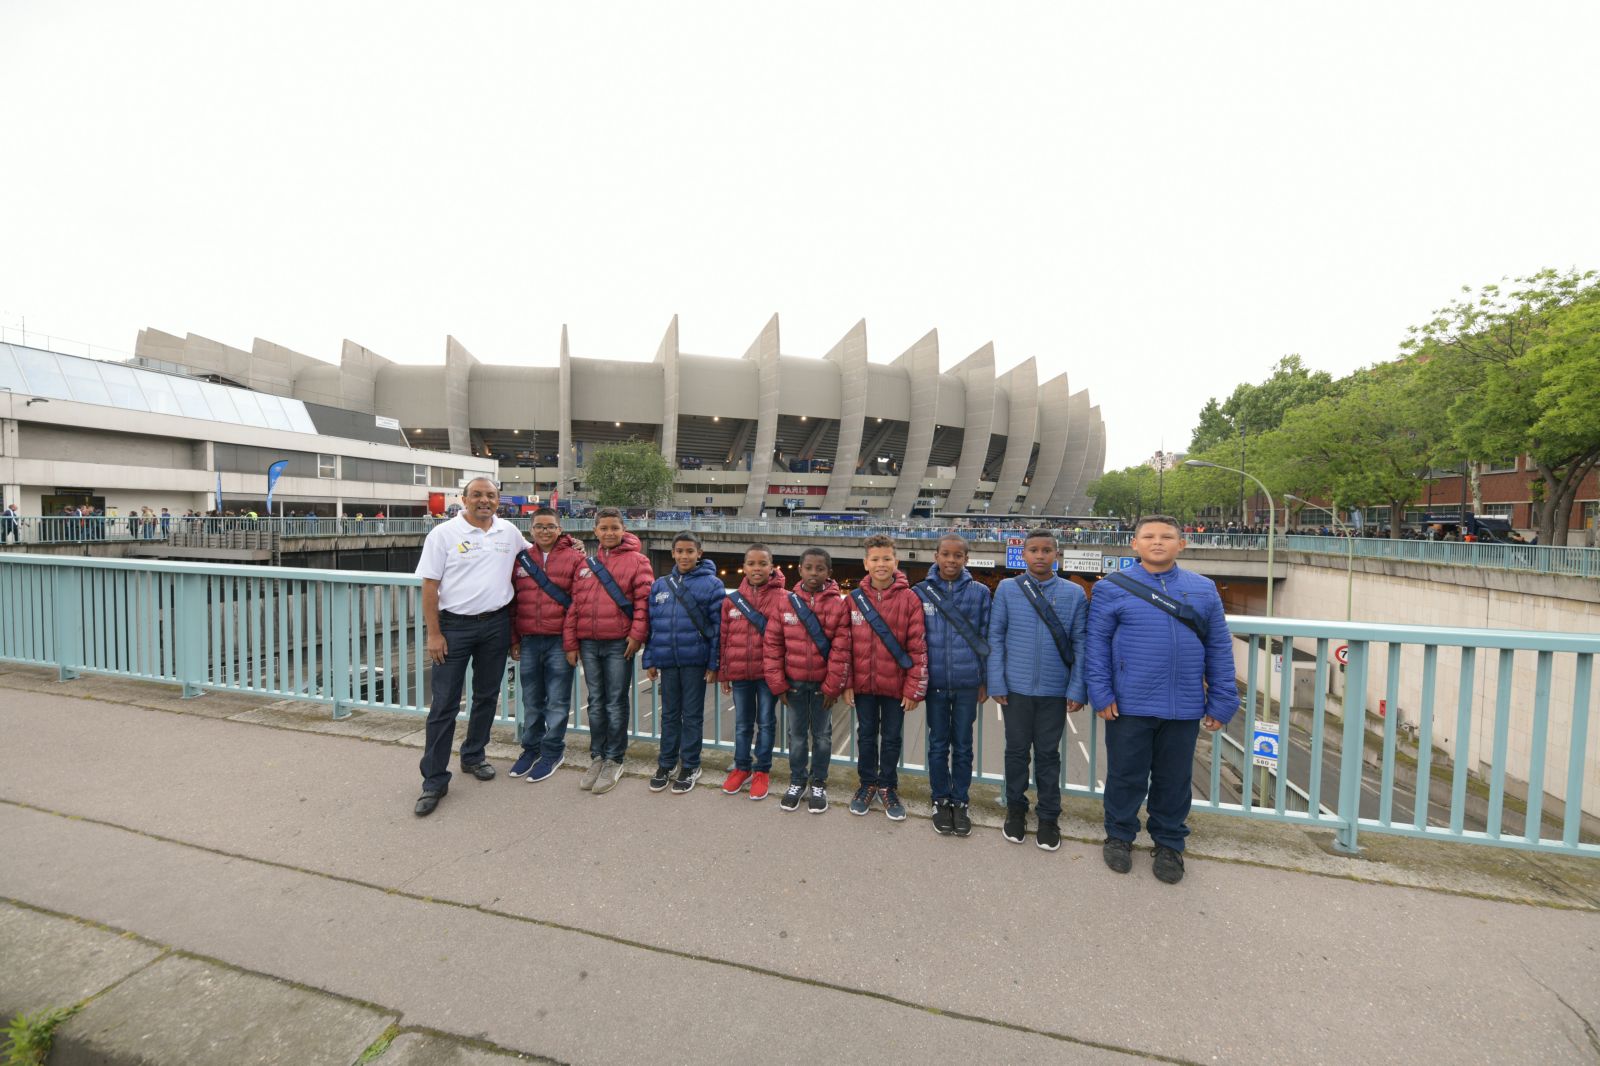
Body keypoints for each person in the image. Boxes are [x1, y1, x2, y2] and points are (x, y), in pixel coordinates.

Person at [1086, 514, 1238, 884]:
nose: (1158, 542)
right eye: (1149, 536)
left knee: (1175, 779)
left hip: (1184, 704)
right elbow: (1096, 646)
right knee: (1125, 775)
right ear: (1134, 544)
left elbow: (1219, 646)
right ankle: (1119, 836)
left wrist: (1222, 699)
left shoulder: (1203, 589)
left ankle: (1169, 844)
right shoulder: (1112, 587)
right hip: (1128, 702)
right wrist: (1101, 692)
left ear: (1181, 544)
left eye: (1167, 537)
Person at [413, 477, 532, 817]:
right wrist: (434, 634)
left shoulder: (508, 532)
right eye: (477, 495)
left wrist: (576, 549)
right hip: (454, 627)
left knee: (486, 696)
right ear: (464, 499)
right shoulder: (443, 535)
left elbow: (538, 554)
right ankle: (434, 780)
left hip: (496, 624)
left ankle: (474, 754)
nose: (484, 501)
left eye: (490, 496)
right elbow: (430, 587)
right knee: (444, 704)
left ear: (498, 501)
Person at [986, 529, 1087, 852]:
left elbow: (1081, 644)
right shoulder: (1007, 589)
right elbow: (996, 635)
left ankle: (1048, 817)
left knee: (1048, 755)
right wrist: (997, 681)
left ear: (1057, 554)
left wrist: (1076, 687)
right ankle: (1015, 810)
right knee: (1015, 752)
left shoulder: (1074, 594)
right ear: (1023, 554)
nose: (1040, 555)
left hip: (1054, 691)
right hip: (1015, 689)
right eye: (1033, 550)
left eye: (1047, 550)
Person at [563, 507, 653, 796]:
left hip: (618, 642)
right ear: (595, 531)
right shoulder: (586, 564)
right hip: (589, 642)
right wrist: (571, 642)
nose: (610, 533)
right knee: (596, 701)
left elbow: (644, 602)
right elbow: (575, 605)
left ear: (624, 529)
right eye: (604, 528)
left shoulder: (638, 561)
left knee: (615, 702)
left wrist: (637, 635)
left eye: (615, 527)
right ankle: (597, 756)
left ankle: (614, 758)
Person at [844, 534, 927, 822]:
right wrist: (848, 682)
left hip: (896, 686)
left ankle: (888, 786)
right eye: (875, 559)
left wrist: (914, 687)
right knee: (866, 736)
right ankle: (867, 784)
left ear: (896, 561)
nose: (881, 564)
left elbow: (918, 645)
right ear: (866, 563)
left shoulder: (910, 599)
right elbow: (845, 645)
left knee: (891, 739)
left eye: (887, 558)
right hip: (864, 686)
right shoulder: (853, 600)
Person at [764, 546, 851, 814]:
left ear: (829, 573)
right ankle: (797, 780)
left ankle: (819, 783)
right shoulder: (785, 602)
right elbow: (772, 645)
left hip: (823, 686)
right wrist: (778, 684)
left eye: (820, 569)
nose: (814, 573)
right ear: (800, 570)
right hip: (794, 683)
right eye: (809, 568)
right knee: (797, 736)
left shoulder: (838, 604)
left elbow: (841, 649)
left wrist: (833, 685)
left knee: (823, 737)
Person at [915, 534, 991, 837]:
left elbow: (986, 638)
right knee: (937, 744)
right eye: (945, 554)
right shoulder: (919, 592)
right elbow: (914, 639)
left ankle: (960, 801)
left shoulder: (980, 592)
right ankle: (939, 798)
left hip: (966, 684)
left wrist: (984, 679)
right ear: (936, 556)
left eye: (957, 556)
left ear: (966, 560)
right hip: (934, 682)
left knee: (962, 745)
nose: (951, 560)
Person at [643, 531, 724, 794]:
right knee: (668, 715)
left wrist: (714, 664)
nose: (684, 556)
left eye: (690, 551)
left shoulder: (712, 584)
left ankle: (690, 765)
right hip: (667, 661)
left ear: (699, 553)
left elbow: (718, 628)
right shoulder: (660, 585)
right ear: (673, 554)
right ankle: (666, 764)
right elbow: (653, 625)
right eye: (680, 551)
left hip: (695, 661)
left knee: (691, 716)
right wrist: (651, 658)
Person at [509, 506, 584, 783]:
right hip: (529, 639)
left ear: (560, 528)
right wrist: (514, 638)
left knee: (557, 701)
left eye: (550, 526)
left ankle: (552, 752)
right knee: (531, 701)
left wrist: (571, 642)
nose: (545, 531)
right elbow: (512, 602)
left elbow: (578, 604)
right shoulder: (520, 560)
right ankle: (530, 749)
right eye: (539, 526)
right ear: (531, 530)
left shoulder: (575, 558)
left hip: (559, 641)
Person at [718, 544, 787, 801]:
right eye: (751, 564)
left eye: (762, 564)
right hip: (740, 672)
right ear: (744, 567)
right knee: (742, 724)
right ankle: (742, 767)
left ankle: (762, 770)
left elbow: (788, 639)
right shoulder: (731, 600)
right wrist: (724, 672)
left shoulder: (784, 599)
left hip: (768, 673)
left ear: (772, 567)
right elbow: (723, 638)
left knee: (767, 722)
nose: (757, 569)